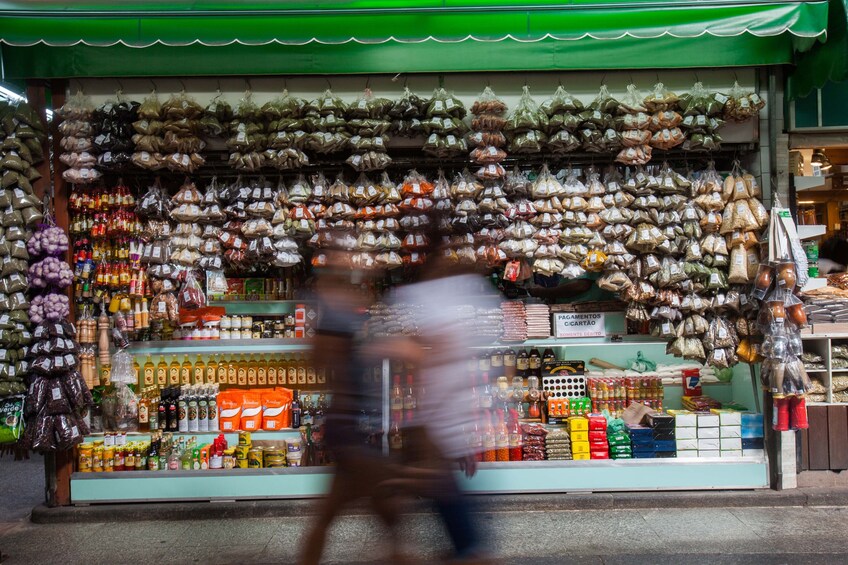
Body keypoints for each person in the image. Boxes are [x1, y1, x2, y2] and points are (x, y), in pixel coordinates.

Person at [374, 245, 498, 564]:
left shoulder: (436, 298)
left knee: (429, 493)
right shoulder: (455, 296)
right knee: (435, 496)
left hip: (439, 427)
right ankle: (451, 550)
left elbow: (433, 357)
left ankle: (456, 553)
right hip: (441, 426)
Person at [299, 249, 404, 565]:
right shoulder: (334, 310)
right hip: (348, 425)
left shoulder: (342, 308)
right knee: (389, 511)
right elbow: (319, 360)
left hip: (350, 425)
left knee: (333, 514)